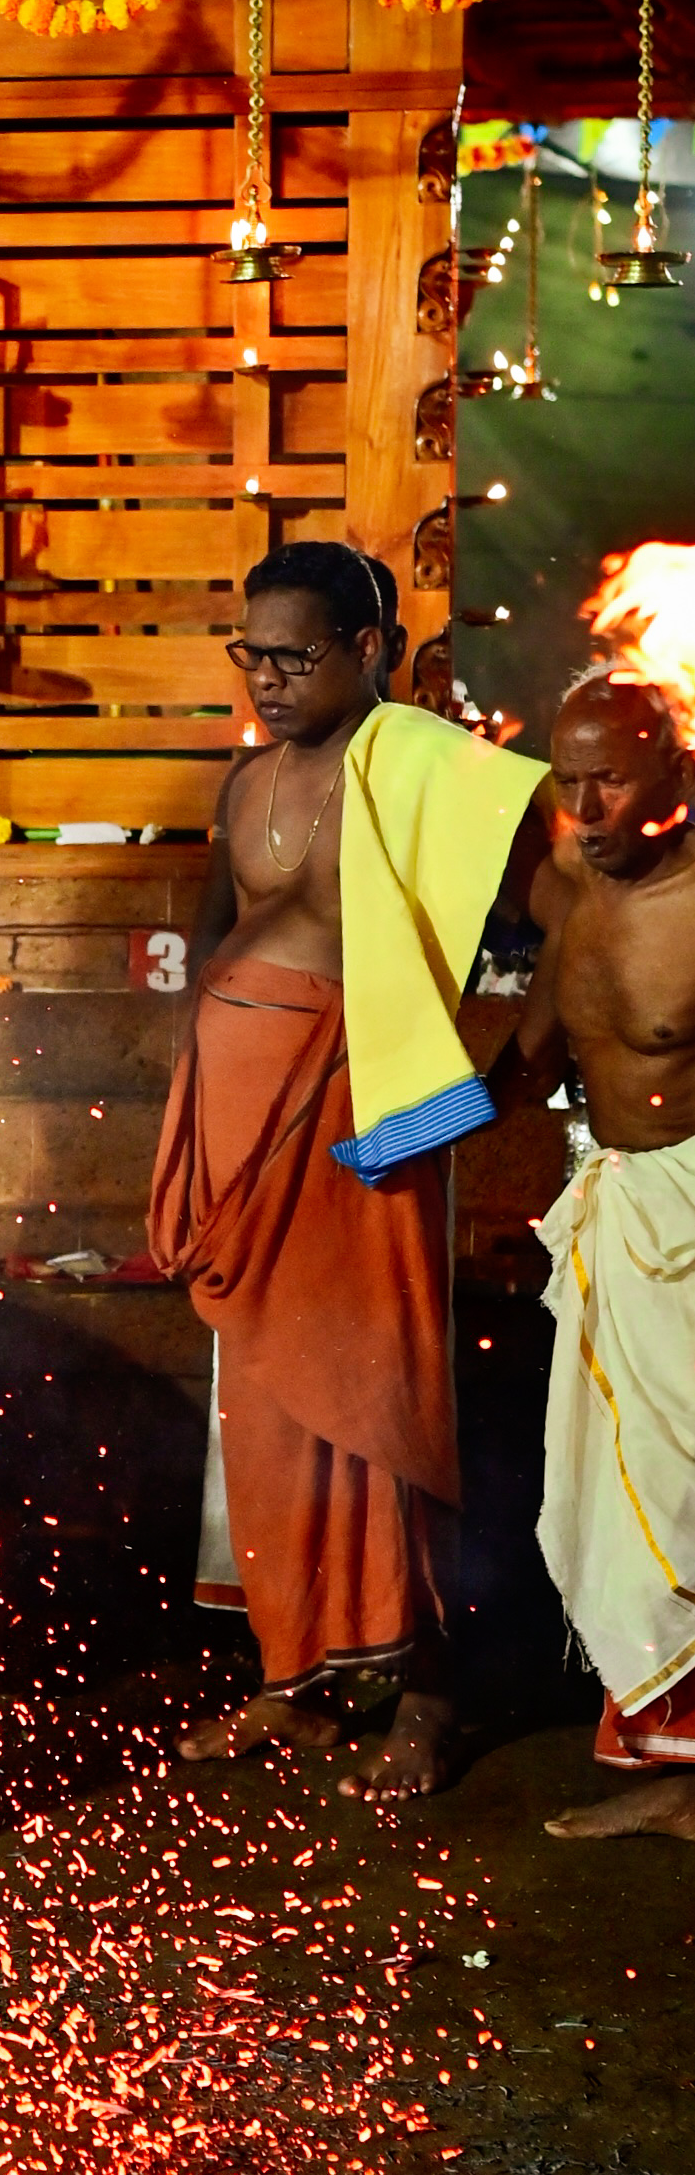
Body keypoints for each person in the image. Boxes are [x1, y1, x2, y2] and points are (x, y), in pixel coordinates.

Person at [150, 541, 545, 1793]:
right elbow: (216, 927)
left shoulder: (430, 769)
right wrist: (195, 1086)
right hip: (236, 1105)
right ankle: (294, 1680)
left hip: (368, 1111)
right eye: (249, 654)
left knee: (382, 1388)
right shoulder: (244, 780)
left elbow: (567, 908)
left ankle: (426, 1689)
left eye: (293, 655)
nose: (265, 679)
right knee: (262, 1404)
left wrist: (466, 1099)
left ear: (369, 650)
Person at [491, 664, 695, 1842]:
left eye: (612, 778)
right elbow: (526, 1058)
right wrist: (394, 1144)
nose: (589, 808)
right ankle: (683, 1774)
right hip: (618, 1212)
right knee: (632, 1507)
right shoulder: (569, 881)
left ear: (674, 770)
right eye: (570, 784)